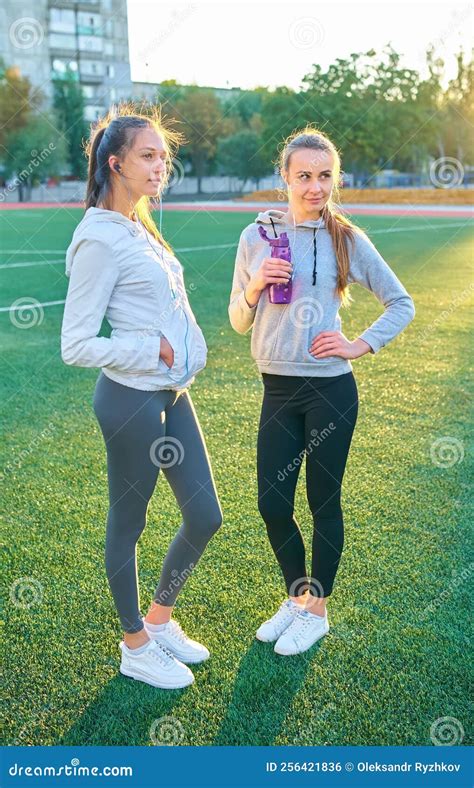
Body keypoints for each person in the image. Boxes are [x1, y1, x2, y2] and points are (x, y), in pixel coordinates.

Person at [228, 127, 415, 656]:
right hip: (277, 388)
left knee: (322, 502)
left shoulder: (347, 239)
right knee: (271, 502)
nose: (315, 187)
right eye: (304, 175)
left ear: (336, 177)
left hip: (330, 390)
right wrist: (255, 285)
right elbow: (239, 321)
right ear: (284, 176)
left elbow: (401, 302)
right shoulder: (256, 237)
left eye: (325, 175)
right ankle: (295, 597)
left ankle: (319, 611)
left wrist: (360, 344)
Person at [61, 106, 223, 688]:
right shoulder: (100, 237)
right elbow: (75, 342)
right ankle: (134, 645)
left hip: (171, 394)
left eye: (164, 156)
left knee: (205, 515)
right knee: (129, 523)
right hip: (129, 400)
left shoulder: (139, 227)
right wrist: (146, 347)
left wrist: (176, 353)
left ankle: (158, 621)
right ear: (115, 162)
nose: (162, 167)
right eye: (148, 156)